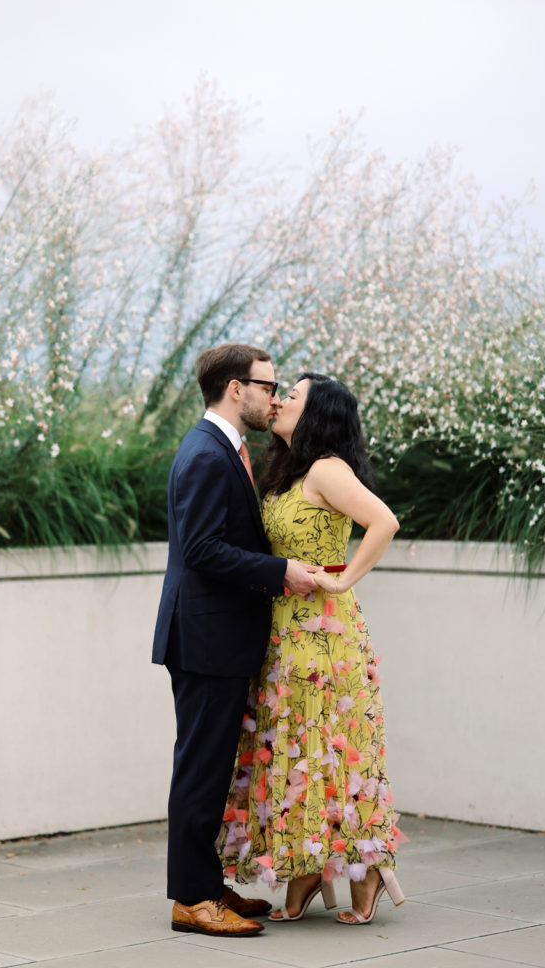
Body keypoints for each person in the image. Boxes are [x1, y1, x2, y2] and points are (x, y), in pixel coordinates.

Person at [218, 373, 405, 926]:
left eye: (290, 396)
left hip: (323, 633)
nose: (277, 401)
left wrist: (343, 579)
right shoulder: (288, 471)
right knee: (296, 745)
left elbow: (384, 521)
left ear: (316, 412)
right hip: (282, 629)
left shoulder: (326, 468)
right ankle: (308, 862)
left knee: (323, 740)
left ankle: (366, 869)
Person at [152, 344, 319, 938]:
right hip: (203, 638)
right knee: (200, 768)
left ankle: (204, 883)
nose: (273, 397)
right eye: (267, 386)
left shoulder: (224, 449)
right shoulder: (205, 453)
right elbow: (199, 549)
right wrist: (280, 573)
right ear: (234, 388)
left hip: (215, 636)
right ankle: (192, 900)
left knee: (214, 766)